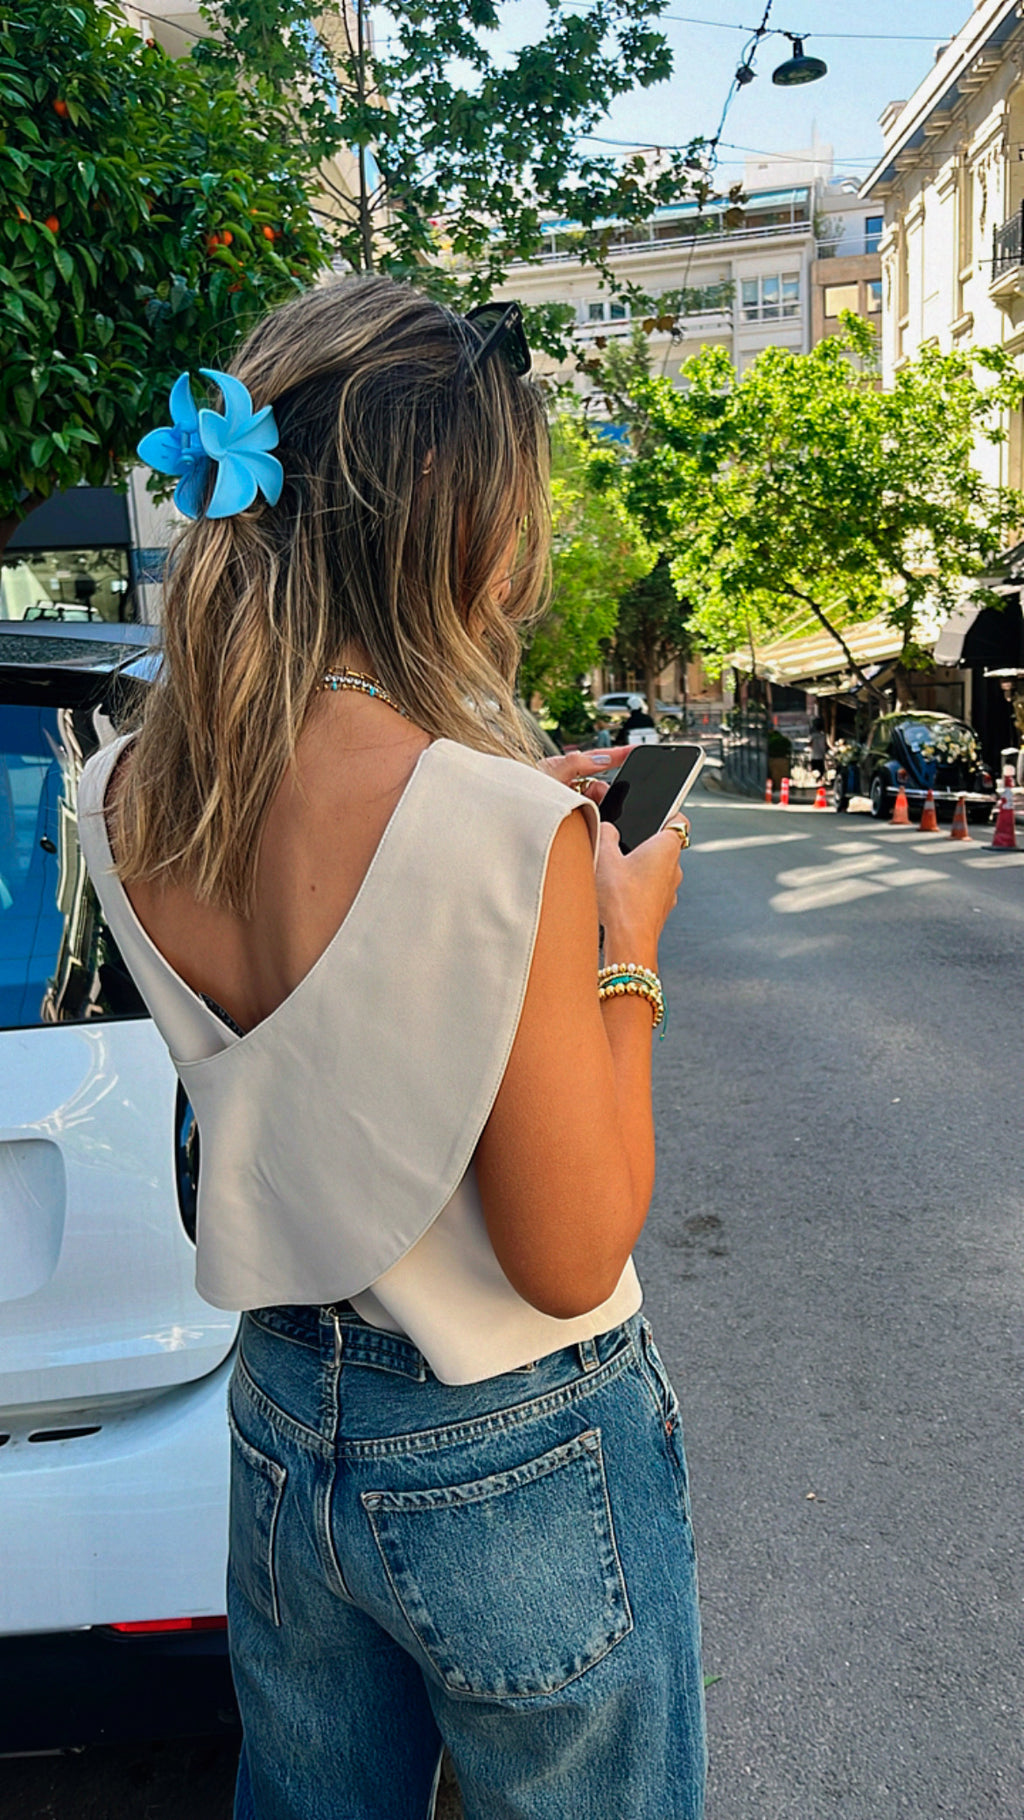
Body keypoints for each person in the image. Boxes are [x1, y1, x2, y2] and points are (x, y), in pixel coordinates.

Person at [77, 277, 705, 1820]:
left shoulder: (122, 793)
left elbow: (332, 990)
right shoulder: (510, 832)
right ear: (463, 527)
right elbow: (568, 1255)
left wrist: (516, 847)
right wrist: (620, 943)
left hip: (286, 1417)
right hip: (515, 1442)